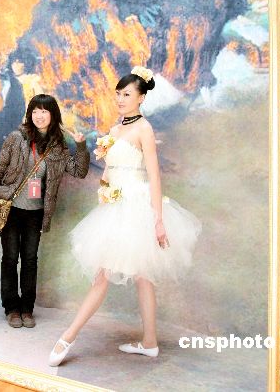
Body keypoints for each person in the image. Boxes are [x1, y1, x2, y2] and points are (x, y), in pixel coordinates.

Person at [49, 66, 201, 366]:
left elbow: (154, 176)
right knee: (138, 277)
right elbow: (109, 168)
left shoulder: (144, 129)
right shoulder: (116, 128)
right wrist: (104, 188)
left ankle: (67, 337)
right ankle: (150, 343)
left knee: (117, 276)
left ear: (141, 98)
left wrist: (158, 220)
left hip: (137, 207)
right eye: (118, 94)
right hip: (115, 206)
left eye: (127, 94)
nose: (120, 99)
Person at [0, 94, 90, 329]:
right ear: (30, 114)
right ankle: (11, 309)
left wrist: (80, 146)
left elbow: (79, 171)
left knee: (30, 260)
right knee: (10, 258)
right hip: (10, 209)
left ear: (53, 115)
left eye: (44, 111)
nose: (39, 115)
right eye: (35, 111)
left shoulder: (58, 147)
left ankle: (27, 309)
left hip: (36, 212)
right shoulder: (17, 138)